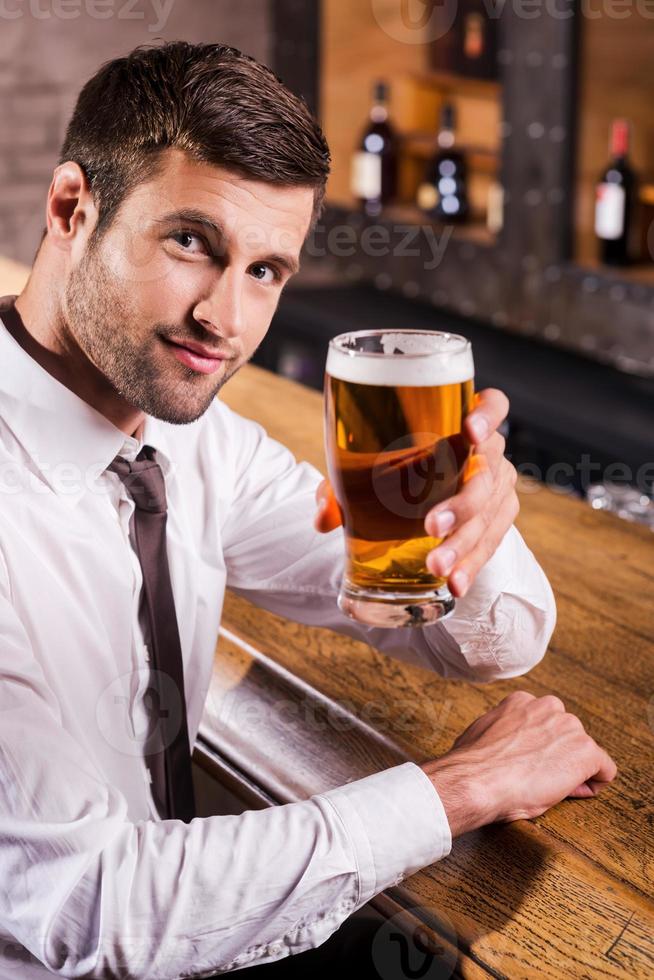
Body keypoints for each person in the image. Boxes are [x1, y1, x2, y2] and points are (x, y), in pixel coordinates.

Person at [0, 41, 616, 980]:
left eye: (265, 271)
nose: (226, 319)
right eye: (191, 242)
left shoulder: (192, 442)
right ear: (71, 209)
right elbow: (93, 905)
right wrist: (455, 790)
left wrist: (473, 519)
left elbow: (492, 640)